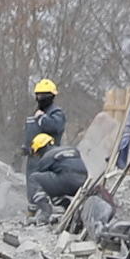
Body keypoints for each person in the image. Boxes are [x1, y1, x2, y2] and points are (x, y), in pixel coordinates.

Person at [25, 78, 83, 211]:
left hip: (48, 156)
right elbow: (30, 132)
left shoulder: (56, 113)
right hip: (33, 156)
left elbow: (55, 127)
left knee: (45, 185)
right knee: (32, 184)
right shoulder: (35, 112)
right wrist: (24, 148)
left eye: (43, 95)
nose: (40, 98)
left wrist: (42, 118)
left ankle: (49, 210)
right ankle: (33, 210)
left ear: (51, 96)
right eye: (38, 95)